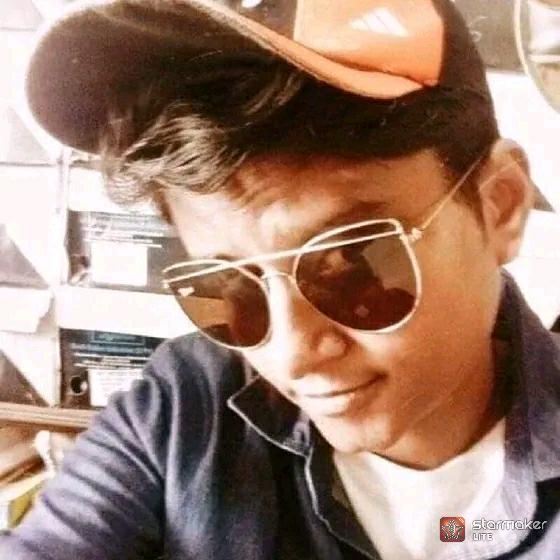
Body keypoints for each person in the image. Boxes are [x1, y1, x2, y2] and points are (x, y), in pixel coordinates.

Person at [2, 0, 560, 558]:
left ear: (500, 206)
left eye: (352, 262)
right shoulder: (182, 409)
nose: (293, 354)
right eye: (228, 285)